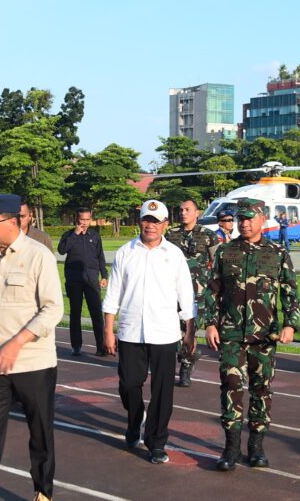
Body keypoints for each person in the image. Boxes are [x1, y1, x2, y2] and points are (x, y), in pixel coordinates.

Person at [0, 194, 63, 501]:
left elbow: (52, 309)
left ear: (12, 222)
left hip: (33, 364)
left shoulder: (38, 255)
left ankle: (43, 492)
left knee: (40, 434)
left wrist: (16, 343)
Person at [201, 198, 300, 471]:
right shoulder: (224, 252)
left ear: (261, 220)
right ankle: (230, 448)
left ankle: (256, 447)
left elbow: (291, 291)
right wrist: (210, 324)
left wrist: (290, 324)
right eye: (240, 219)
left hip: (264, 336)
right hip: (231, 334)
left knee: (262, 389)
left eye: (249, 218)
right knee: (231, 388)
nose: (244, 223)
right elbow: (211, 291)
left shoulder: (277, 252)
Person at [102, 199, 196, 465]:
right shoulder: (125, 252)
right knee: (129, 384)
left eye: (156, 221)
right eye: (146, 220)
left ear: (165, 224)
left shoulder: (174, 254)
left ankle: (156, 442)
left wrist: (189, 330)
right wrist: (108, 330)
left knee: (163, 391)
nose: (150, 226)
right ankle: (135, 421)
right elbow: (113, 294)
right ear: (140, 221)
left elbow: (186, 295)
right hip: (131, 332)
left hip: (165, 333)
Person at [165, 199, 220, 387]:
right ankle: (186, 355)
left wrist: (213, 289)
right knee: (173, 331)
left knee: (190, 330)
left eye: (187, 210)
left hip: (197, 294)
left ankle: (186, 368)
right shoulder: (171, 234)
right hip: (172, 292)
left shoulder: (208, 235)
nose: (183, 213)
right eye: (181, 210)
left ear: (197, 213)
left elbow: (217, 262)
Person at [58, 207, 109, 356]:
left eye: (87, 219)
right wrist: (75, 234)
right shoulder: (68, 235)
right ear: (77, 220)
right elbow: (62, 250)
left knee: (96, 313)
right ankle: (76, 346)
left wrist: (104, 275)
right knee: (75, 313)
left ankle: (101, 347)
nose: (85, 223)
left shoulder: (95, 235)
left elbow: (100, 257)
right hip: (74, 280)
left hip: (92, 279)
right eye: (82, 220)